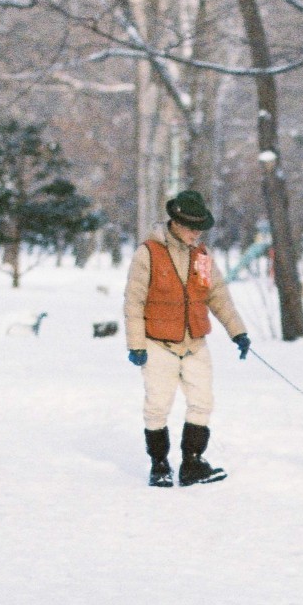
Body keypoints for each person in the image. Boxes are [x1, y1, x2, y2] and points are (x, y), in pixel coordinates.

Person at [123, 189, 251, 487]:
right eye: (192, 228)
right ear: (176, 223)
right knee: (157, 405)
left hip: (194, 343)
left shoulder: (202, 256)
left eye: (200, 229)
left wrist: (238, 331)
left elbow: (218, 296)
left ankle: (192, 463)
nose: (197, 234)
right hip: (158, 343)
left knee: (202, 402)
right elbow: (133, 302)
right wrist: (136, 345)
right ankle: (159, 464)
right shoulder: (149, 253)